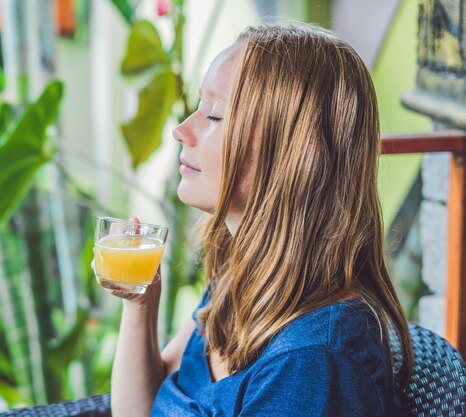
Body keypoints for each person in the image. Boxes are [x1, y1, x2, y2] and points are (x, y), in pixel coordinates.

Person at [107, 24, 413, 416]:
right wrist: (140, 304)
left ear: (290, 155)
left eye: (214, 116)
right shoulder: (241, 281)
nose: (181, 130)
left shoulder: (312, 364)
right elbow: (141, 409)